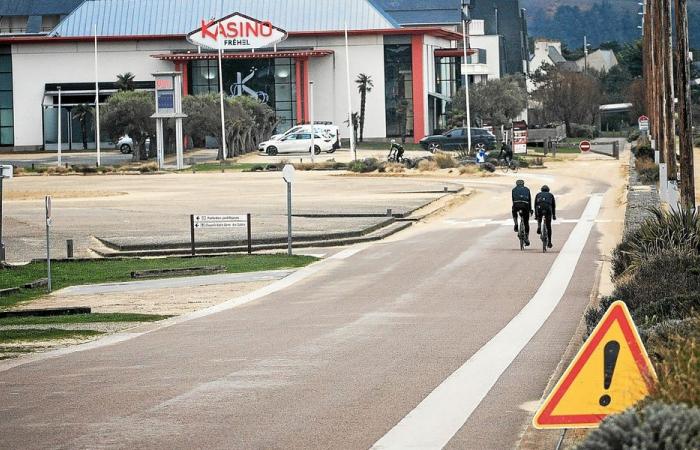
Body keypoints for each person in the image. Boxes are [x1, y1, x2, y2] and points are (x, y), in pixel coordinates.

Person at [512, 179, 532, 246]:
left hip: (516, 204)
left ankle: (516, 224)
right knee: (526, 222)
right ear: (523, 184)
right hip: (525, 205)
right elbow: (529, 200)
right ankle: (526, 236)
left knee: (514, 210)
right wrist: (530, 209)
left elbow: (513, 199)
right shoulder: (527, 189)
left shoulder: (513, 190)